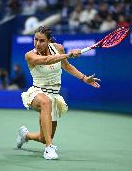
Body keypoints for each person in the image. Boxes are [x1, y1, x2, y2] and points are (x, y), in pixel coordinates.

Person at [16, 26, 100, 160]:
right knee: (45, 102)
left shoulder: (58, 48)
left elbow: (66, 66)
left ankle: (24, 135)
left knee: (43, 137)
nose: (38, 43)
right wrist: (69, 54)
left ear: (49, 41)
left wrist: (84, 78)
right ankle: (49, 148)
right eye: (35, 40)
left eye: (42, 41)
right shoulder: (30, 55)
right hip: (37, 93)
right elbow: (46, 60)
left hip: (54, 95)